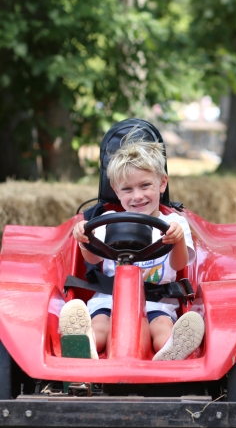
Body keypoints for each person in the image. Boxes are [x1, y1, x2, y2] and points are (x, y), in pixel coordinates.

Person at [58, 131, 204, 361]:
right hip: (108, 298)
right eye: (127, 189)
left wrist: (176, 240)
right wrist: (84, 239)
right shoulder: (106, 221)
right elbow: (93, 260)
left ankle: (172, 349)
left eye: (145, 185)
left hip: (157, 302)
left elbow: (179, 264)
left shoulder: (174, 224)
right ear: (116, 191)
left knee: (161, 329)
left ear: (162, 183)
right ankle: (83, 345)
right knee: (99, 327)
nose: (137, 196)